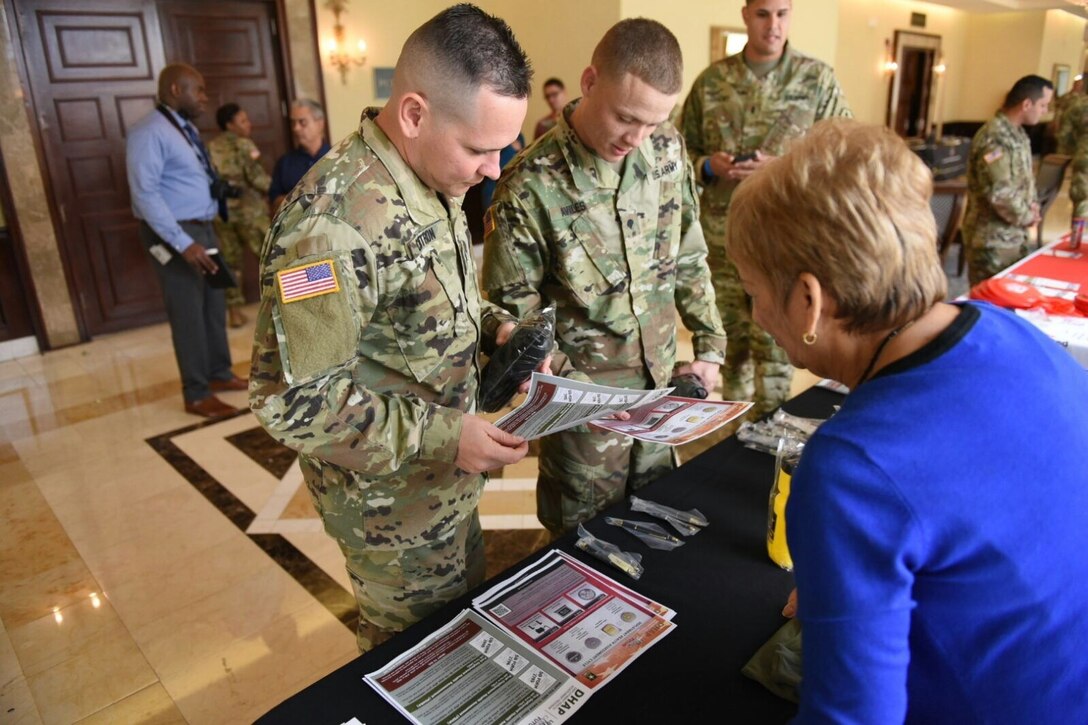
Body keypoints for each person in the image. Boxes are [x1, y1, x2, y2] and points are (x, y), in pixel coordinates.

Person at [729, 119, 1088, 723]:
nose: (756, 313)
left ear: (809, 301)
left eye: (753, 291)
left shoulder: (852, 466)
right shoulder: (1014, 331)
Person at [250, 3, 535, 652]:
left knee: (458, 640)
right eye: (480, 150)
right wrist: (444, 435)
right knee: (414, 662)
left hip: (444, 484)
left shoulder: (430, 175)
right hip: (392, 515)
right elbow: (293, 401)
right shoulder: (331, 227)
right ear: (413, 113)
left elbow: (422, 304)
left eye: (502, 149)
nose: (493, 170)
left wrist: (496, 330)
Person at [483, 19, 726, 535]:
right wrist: (580, 395)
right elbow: (514, 314)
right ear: (590, 81)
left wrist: (709, 346)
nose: (637, 139)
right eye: (626, 117)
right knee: (583, 543)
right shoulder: (529, 185)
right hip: (584, 418)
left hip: (662, 394)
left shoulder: (666, 152)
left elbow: (688, 254)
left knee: (657, 525)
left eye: (653, 123)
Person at [680, 0, 850, 419]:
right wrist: (707, 164)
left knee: (781, 344)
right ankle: (736, 426)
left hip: (786, 242)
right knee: (729, 342)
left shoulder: (818, 80)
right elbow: (678, 151)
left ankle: (775, 428)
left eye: (782, 13)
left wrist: (783, 166)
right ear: (745, 15)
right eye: (762, 14)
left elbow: (842, 154)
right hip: (722, 242)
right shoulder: (712, 81)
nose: (772, 25)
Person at [125, 63, 247, 418]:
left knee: (213, 303)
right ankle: (196, 393)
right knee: (188, 313)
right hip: (175, 235)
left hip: (202, 227)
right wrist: (182, 243)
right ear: (177, 90)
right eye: (200, 90)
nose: (205, 98)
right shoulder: (148, 132)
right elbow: (145, 195)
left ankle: (219, 375)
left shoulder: (185, 129)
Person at [963, 74, 1052, 286]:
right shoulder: (995, 137)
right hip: (991, 240)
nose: (1045, 111)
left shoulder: (1017, 134)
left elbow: (1022, 180)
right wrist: (1026, 216)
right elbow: (1000, 192)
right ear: (1026, 104)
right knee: (989, 305)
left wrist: (1032, 206)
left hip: (1011, 236)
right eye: (1043, 105)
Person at [208, 102, 272, 328]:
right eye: (243, 120)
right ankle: (279, 306)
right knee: (270, 254)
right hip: (248, 211)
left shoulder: (210, 147)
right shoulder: (244, 145)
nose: (249, 124)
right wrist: (279, 190)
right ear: (230, 124)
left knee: (230, 261)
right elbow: (256, 178)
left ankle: (234, 313)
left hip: (222, 212)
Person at [268, 98, 330, 213]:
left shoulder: (336, 157)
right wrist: (297, 198)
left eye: (302, 122)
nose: (296, 128)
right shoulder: (285, 163)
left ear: (320, 123)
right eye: (293, 123)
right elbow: (274, 201)